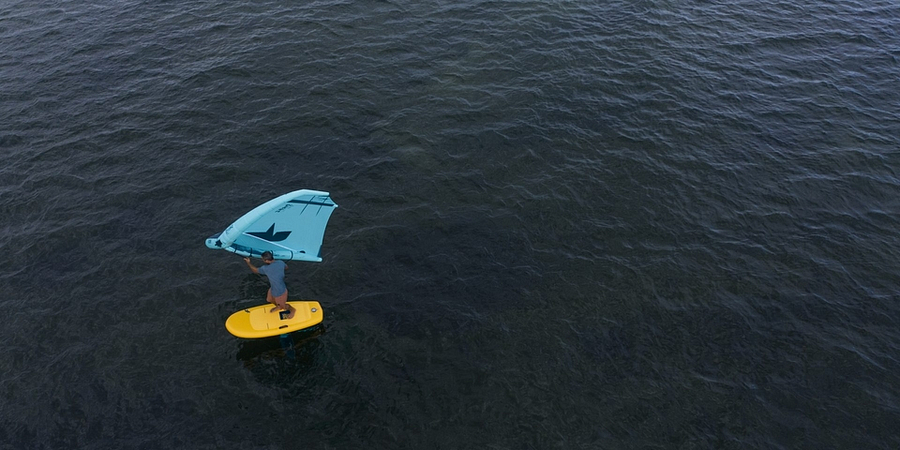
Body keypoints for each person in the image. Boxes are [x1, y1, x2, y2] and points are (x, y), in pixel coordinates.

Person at [244, 251, 295, 319]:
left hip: (280, 292)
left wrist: (248, 262)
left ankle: (292, 310)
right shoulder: (280, 262)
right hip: (273, 288)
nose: (262, 260)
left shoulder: (266, 268)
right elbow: (286, 267)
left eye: (263, 259)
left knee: (283, 306)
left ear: (267, 261)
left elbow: (255, 270)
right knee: (269, 300)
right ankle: (278, 306)